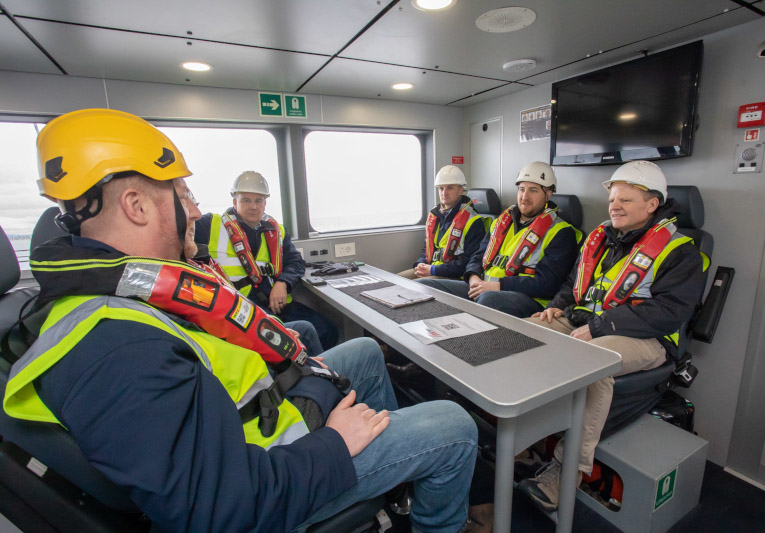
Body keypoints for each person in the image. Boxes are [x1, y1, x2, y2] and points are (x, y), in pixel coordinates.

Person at [4, 109, 478, 532]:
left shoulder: (122, 291)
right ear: (137, 205)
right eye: (181, 194)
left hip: (264, 423)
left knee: (366, 352)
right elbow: (221, 510)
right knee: (453, 425)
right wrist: (336, 443)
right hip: (277, 476)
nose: (195, 210)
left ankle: (400, 474)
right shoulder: (117, 348)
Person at [518, 160, 707, 512]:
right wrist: (556, 306)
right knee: (524, 333)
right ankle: (524, 438)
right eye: (612, 200)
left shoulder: (681, 251)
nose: (614, 207)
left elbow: (670, 312)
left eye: (626, 200)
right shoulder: (602, 237)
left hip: (647, 338)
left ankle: (566, 471)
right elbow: (573, 285)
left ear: (653, 204)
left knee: (591, 365)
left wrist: (602, 327)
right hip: (585, 320)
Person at [194, 170, 338, 350]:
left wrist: (283, 284)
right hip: (239, 307)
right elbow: (181, 230)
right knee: (304, 333)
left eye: (258, 200)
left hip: (275, 302)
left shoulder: (277, 231)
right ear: (234, 202)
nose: (253, 206)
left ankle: (311, 369)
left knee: (328, 330)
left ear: (265, 203)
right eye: (246, 200)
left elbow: (295, 262)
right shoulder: (209, 224)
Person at [418, 162, 581, 318]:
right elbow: (477, 256)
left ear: (548, 194)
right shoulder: (500, 223)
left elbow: (548, 283)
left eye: (533, 190)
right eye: (522, 189)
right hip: (484, 286)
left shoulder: (561, 232)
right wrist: (473, 277)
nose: (525, 196)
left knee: (487, 300)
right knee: (427, 287)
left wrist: (499, 286)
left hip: (527, 297)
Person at [397, 165, 487, 280]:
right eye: (441, 188)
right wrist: (420, 264)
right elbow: (427, 249)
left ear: (460, 190)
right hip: (432, 268)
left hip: (454, 275)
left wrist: (433, 270)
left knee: (419, 285)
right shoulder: (434, 216)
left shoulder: (473, 221)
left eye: (450, 188)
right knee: (396, 280)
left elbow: (468, 262)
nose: (444, 193)